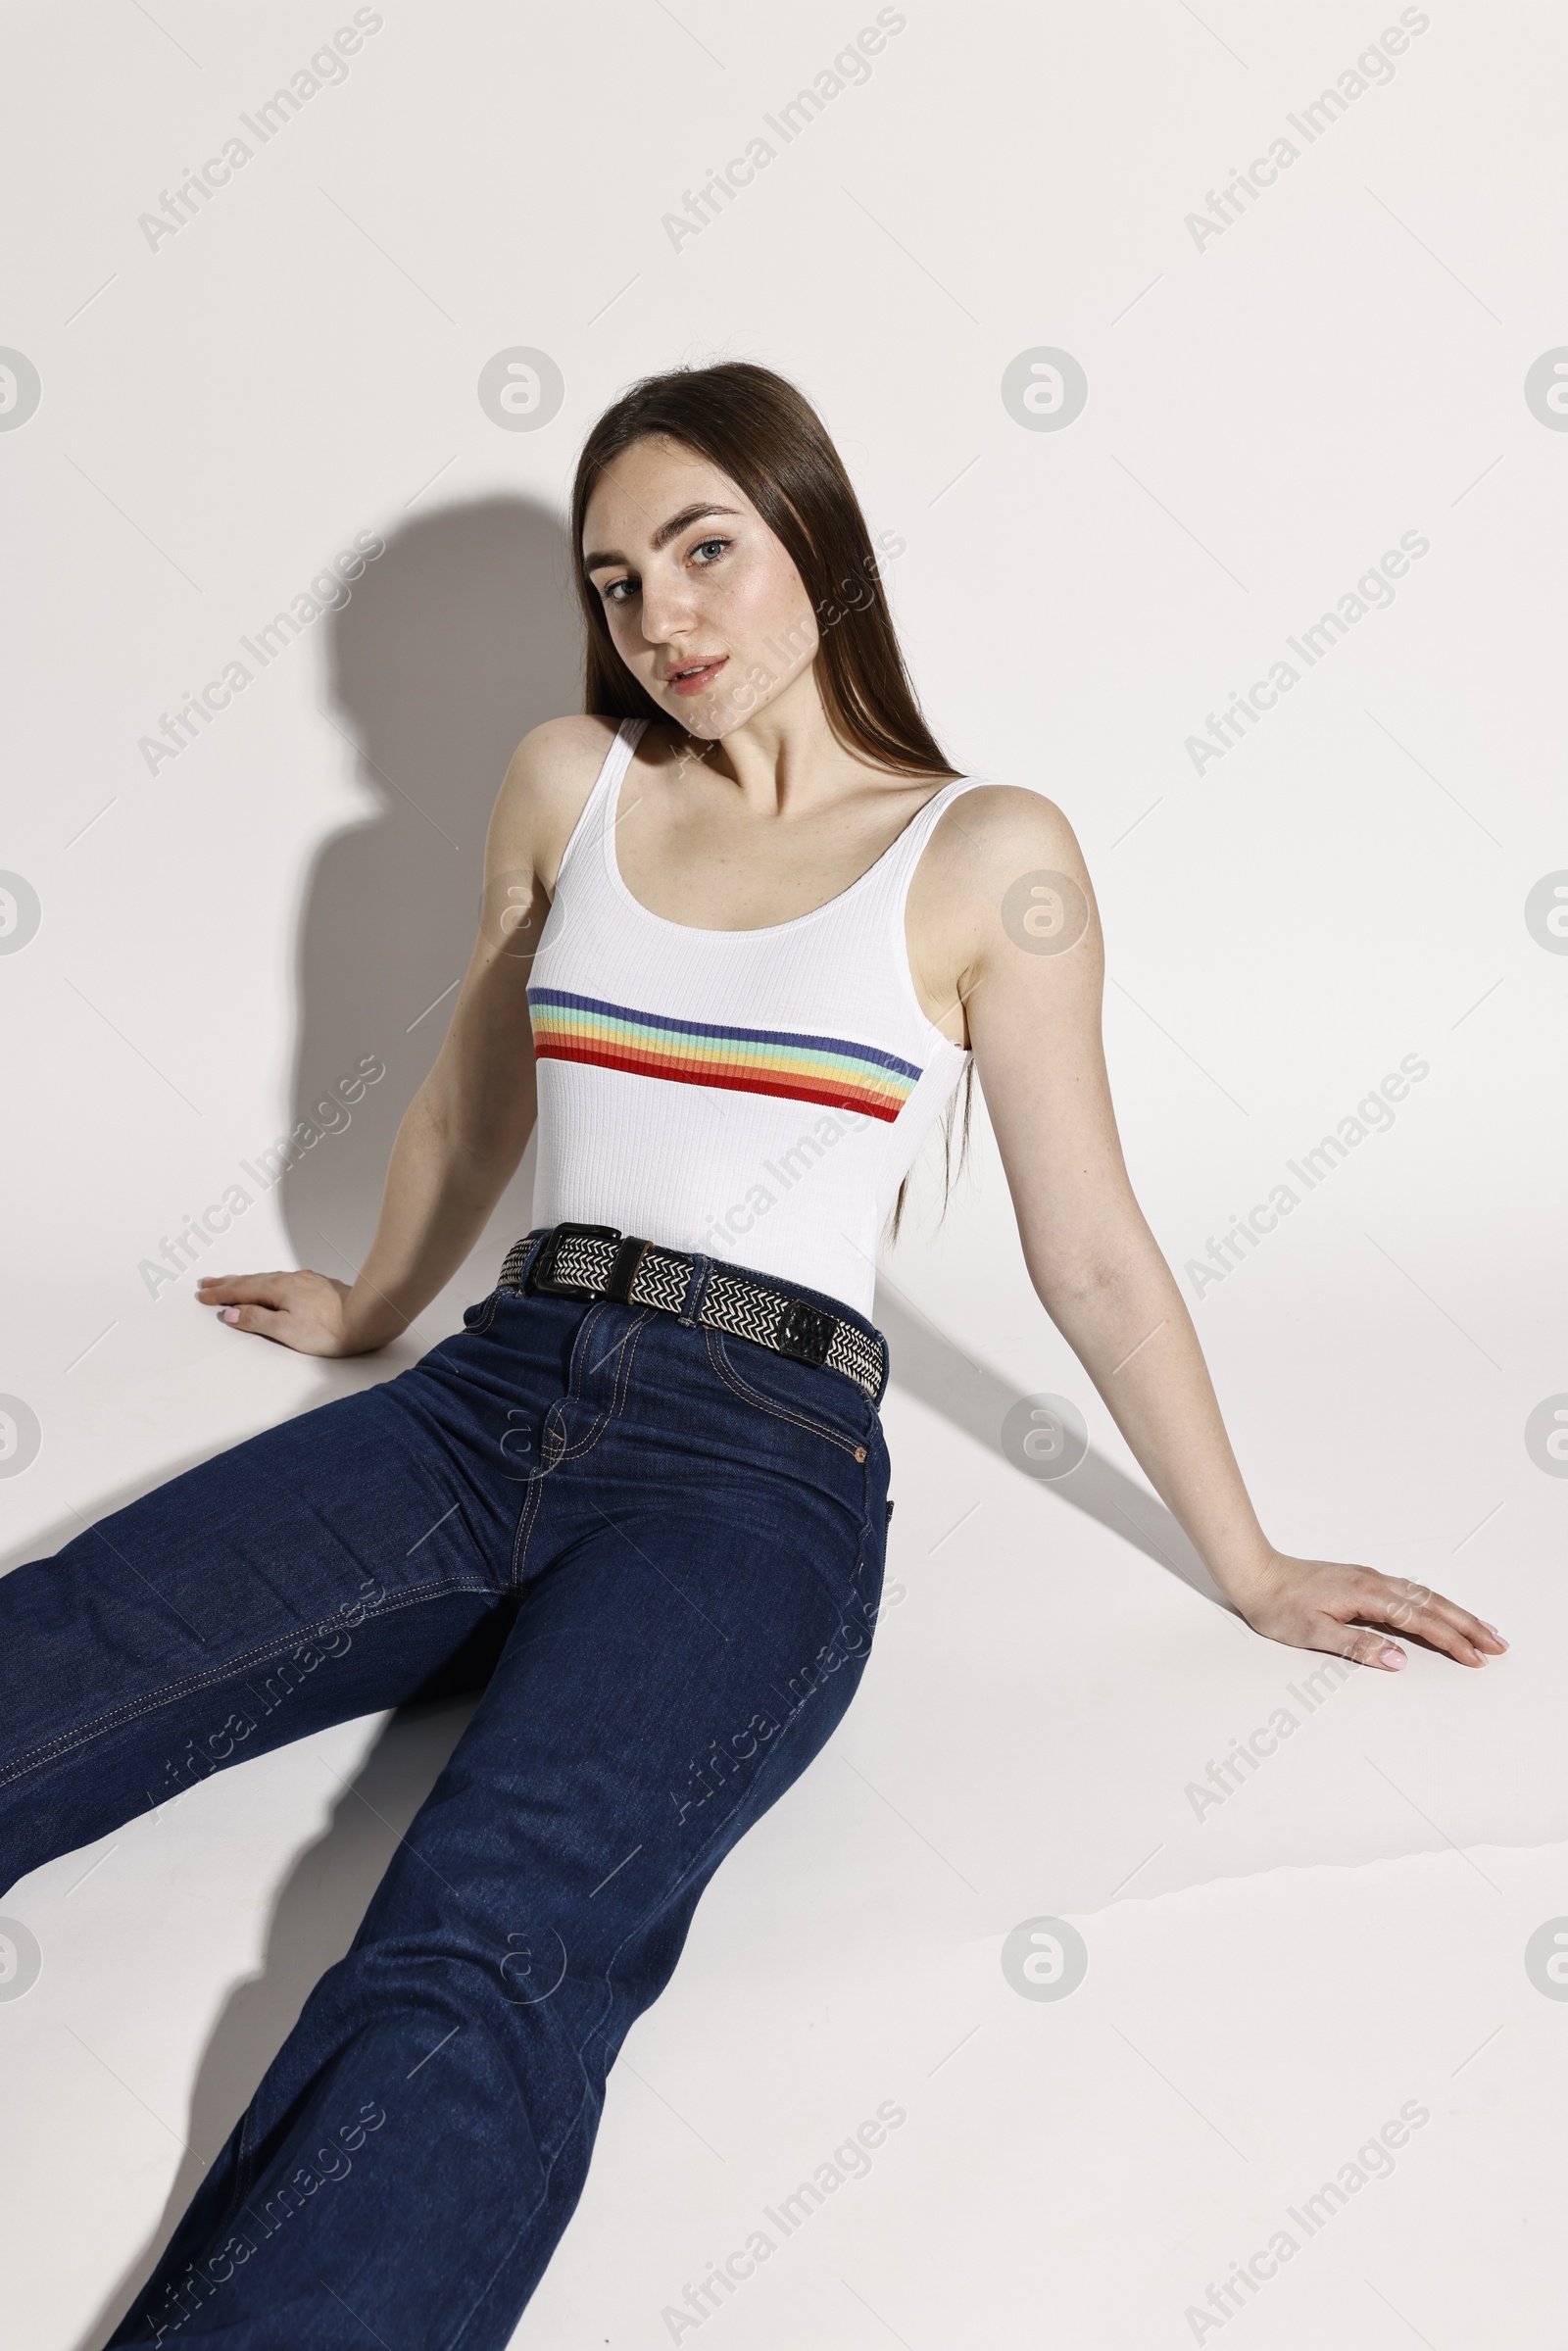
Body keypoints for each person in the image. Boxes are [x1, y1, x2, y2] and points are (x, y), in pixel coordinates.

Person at [1, 362, 1503, 2348]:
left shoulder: (982, 853)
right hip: (489, 1395)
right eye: (619, 582)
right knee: (71, 1643)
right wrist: (375, 1300)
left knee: (485, 1945)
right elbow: (471, 1091)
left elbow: (1093, 1256)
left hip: (753, 1472)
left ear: (817, 542)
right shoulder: (570, 780)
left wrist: (1248, 1561)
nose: (664, 619)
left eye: (706, 550)